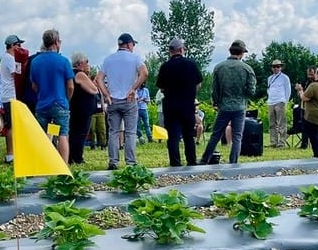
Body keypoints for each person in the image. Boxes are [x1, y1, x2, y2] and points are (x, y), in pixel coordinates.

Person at [199, 40, 256, 165]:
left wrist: (216, 103)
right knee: (237, 137)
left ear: (231, 51)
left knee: (215, 135)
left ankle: (204, 160)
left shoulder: (219, 67)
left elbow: (214, 90)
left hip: (223, 106)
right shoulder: (247, 69)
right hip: (240, 107)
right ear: (242, 53)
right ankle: (233, 162)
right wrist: (243, 96)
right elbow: (251, 91)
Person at [96, 33, 147, 170]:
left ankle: (113, 162)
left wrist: (106, 94)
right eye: (133, 45)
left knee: (113, 132)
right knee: (130, 132)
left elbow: (98, 79)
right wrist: (133, 89)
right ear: (129, 44)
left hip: (113, 100)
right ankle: (130, 163)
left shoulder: (108, 59)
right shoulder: (135, 58)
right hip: (129, 100)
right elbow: (144, 73)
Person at [29, 29, 74, 163]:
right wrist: (67, 99)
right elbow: (70, 86)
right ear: (56, 42)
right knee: (62, 135)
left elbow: (34, 86)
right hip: (60, 102)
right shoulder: (63, 61)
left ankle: (43, 164)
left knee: (42, 136)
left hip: (42, 104)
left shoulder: (35, 62)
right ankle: (63, 167)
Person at [156, 37, 202, 167]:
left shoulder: (165, 66)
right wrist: (190, 92)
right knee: (189, 135)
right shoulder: (191, 64)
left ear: (170, 51)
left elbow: (161, 86)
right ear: (181, 50)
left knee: (173, 136)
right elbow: (199, 83)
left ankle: (175, 163)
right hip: (187, 105)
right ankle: (192, 161)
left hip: (170, 106)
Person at [67, 51, 100, 164]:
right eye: (86, 62)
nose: (88, 64)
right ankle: (77, 157)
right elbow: (93, 89)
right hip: (82, 110)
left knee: (75, 133)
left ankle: (72, 156)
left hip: (76, 108)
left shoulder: (71, 73)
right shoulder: (80, 74)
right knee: (80, 134)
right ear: (80, 63)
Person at [297, 66, 318, 158]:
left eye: (316, 72)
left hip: (314, 115)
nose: (315, 74)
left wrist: (300, 91)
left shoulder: (314, 86)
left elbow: (304, 98)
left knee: (314, 135)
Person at [0, 34, 24, 163]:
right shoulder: (9, 58)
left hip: (8, 96)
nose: (20, 48)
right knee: (11, 126)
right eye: (19, 45)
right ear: (13, 46)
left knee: (12, 125)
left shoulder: (7, 58)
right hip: (10, 96)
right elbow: (17, 76)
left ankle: (13, 153)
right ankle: (10, 154)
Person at [266, 59, 291, 148]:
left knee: (281, 123)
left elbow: (288, 90)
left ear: (281, 67)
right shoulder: (270, 78)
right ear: (272, 68)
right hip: (271, 102)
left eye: (278, 66)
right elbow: (268, 89)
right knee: (272, 123)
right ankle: (273, 142)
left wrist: (285, 101)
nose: (276, 68)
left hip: (280, 101)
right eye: (274, 66)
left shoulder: (285, 77)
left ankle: (281, 142)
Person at [298, 66, 316, 150]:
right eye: (308, 74)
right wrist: (299, 90)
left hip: (313, 107)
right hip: (303, 106)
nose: (310, 75)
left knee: (313, 127)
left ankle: (314, 143)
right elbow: (301, 94)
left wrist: (302, 92)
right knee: (304, 126)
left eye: (311, 74)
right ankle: (304, 144)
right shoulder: (305, 81)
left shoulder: (316, 83)